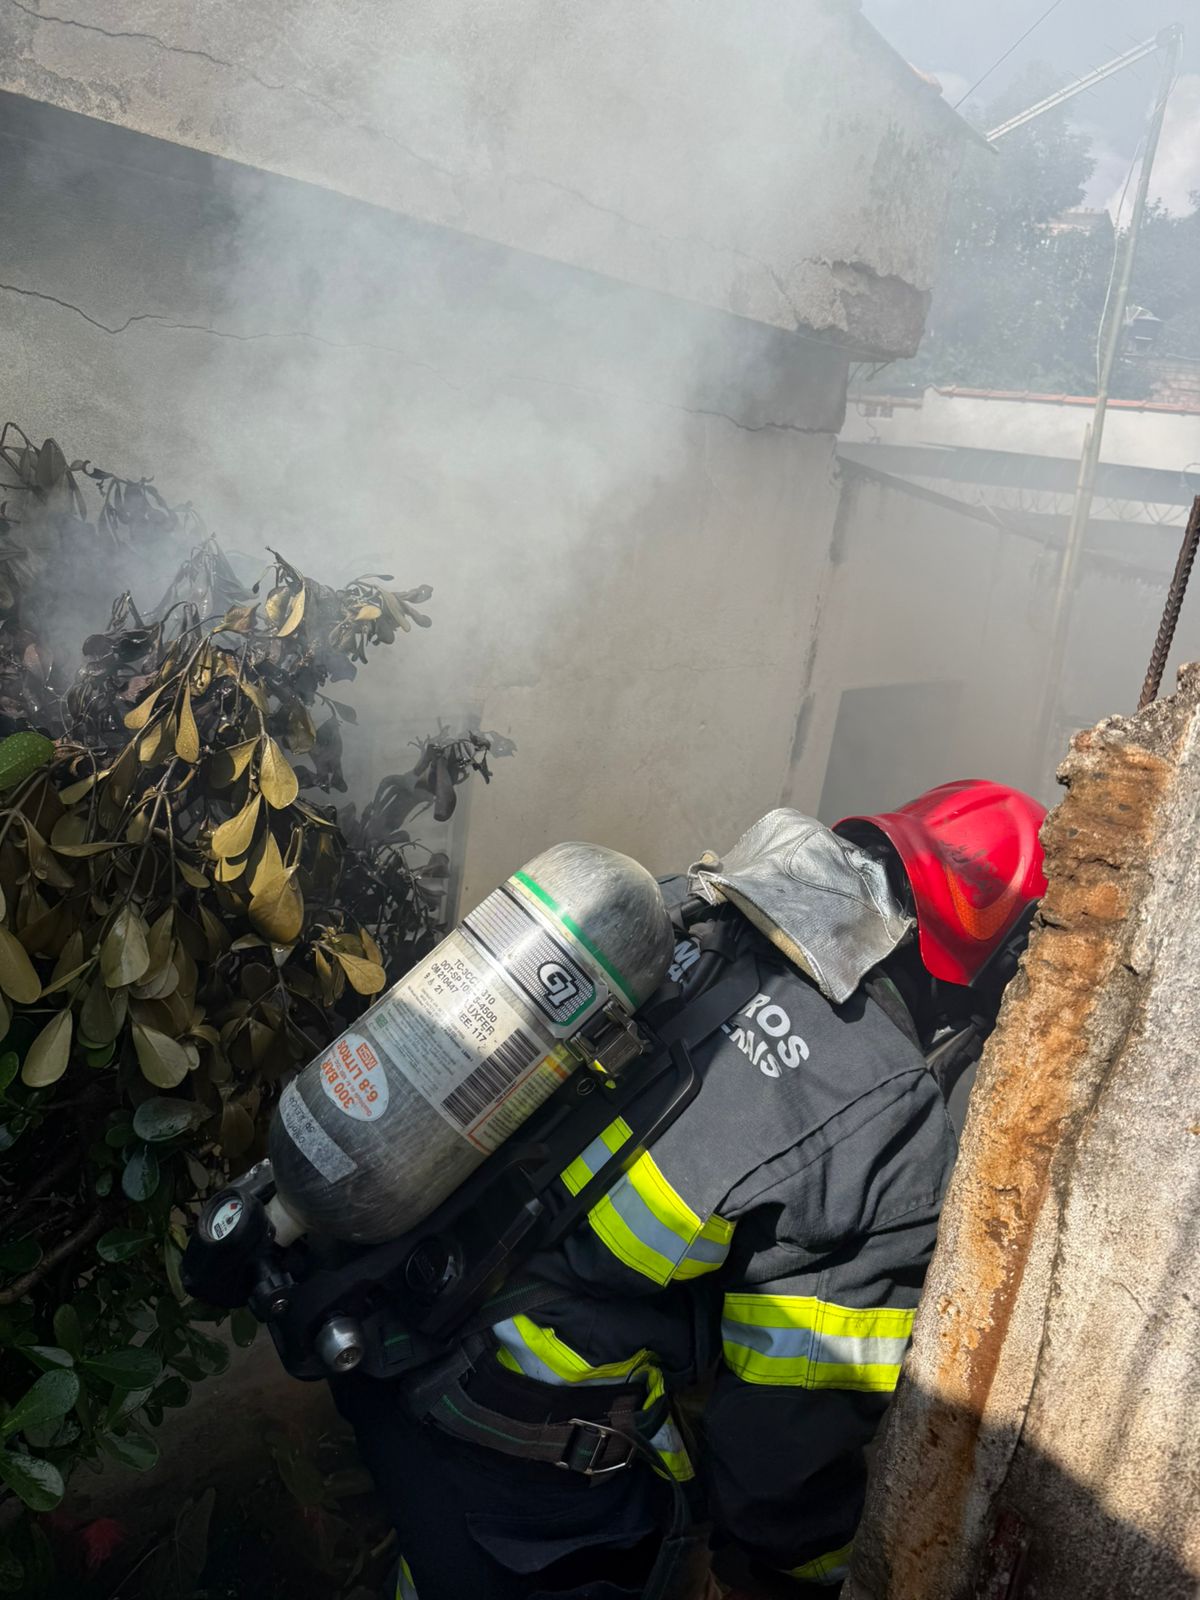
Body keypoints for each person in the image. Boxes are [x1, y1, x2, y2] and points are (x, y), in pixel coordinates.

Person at [333, 780, 1048, 1600]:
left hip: (389, 1337)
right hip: (538, 1469)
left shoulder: (688, 909)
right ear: (990, 967)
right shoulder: (885, 1113)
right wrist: (813, 1580)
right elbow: (784, 1451)